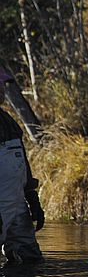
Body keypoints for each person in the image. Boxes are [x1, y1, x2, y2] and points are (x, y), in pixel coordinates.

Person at [0, 73, 44, 265]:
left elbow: (21, 162)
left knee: (30, 261)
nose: (2, 89)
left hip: (17, 205)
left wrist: (31, 196)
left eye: (3, 84)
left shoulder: (7, 121)